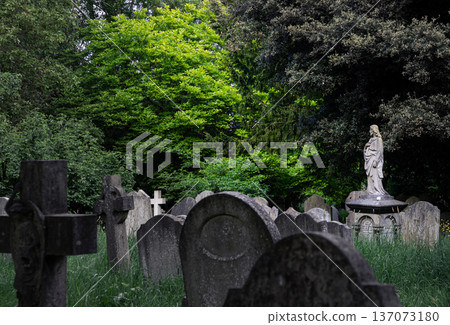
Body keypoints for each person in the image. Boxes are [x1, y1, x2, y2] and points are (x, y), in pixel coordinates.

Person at [364, 125, 388, 196]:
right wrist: (366, 147)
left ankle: (377, 190)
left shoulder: (379, 140)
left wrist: (376, 160)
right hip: (369, 160)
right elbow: (366, 149)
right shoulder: (370, 140)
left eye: (370, 130)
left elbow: (380, 151)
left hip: (374, 160)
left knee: (375, 175)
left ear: (374, 130)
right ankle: (371, 190)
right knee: (370, 176)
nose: (369, 132)